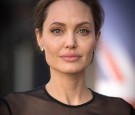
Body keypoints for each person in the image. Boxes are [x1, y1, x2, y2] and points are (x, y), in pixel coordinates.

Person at [0, 0, 135, 114]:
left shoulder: (120, 110)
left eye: (82, 31)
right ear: (39, 38)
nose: (70, 43)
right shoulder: (14, 108)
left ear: (97, 39)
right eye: (57, 30)